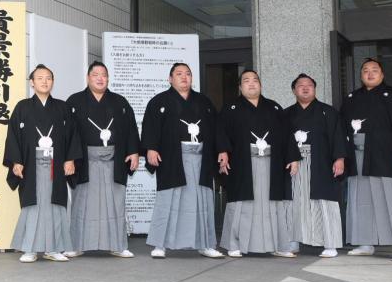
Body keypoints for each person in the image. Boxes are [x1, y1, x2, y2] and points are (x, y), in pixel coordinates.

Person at [341, 58, 392, 262]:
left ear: (382, 74)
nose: (370, 73)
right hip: (358, 154)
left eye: (374, 70)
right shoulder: (352, 98)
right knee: (361, 199)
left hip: (387, 154)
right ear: (361, 75)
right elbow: (341, 128)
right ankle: (365, 242)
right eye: (365, 70)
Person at [140, 63, 223, 259]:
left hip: (200, 159)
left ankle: (206, 244)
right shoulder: (158, 102)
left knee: (202, 200)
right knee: (168, 200)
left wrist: (223, 150)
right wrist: (151, 148)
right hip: (171, 158)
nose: (184, 77)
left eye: (187, 74)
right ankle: (160, 244)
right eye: (179, 74)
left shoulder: (204, 102)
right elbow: (150, 128)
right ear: (170, 79)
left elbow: (217, 129)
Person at [217, 70, 300, 258]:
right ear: (240, 87)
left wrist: (292, 158)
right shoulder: (230, 108)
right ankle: (234, 244)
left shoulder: (274, 108)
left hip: (271, 163)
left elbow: (288, 135)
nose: (251, 83)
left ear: (261, 85)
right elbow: (220, 133)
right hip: (242, 163)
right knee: (242, 204)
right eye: (246, 81)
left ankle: (279, 245)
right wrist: (222, 152)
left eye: (255, 80)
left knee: (273, 205)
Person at [5, 64, 80, 262]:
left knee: (55, 205)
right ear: (32, 82)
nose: (44, 81)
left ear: (53, 82)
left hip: (56, 162)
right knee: (33, 204)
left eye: (48, 78)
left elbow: (72, 135)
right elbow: (13, 136)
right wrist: (16, 162)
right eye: (40, 78)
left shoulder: (62, 107)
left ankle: (53, 248)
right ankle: (30, 248)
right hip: (31, 163)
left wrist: (70, 159)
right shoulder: (22, 107)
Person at [64, 62, 139, 258]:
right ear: (88, 78)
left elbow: (131, 128)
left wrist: (133, 152)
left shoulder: (120, 102)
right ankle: (77, 244)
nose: (100, 78)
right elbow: (68, 134)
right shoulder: (74, 102)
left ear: (108, 78)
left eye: (104, 75)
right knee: (82, 204)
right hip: (85, 161)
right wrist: (69, 158)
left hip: (114, 160)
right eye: (95, 74)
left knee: (115, 202)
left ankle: (117, 244)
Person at [284, 73, 347, 258]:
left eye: (309, 84)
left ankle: (330, 243)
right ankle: (292, 240)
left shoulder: (328, 112)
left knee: (324, 203)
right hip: (294, 163)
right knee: (294, 202)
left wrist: (340, 159)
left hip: (321, 162)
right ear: (294, 90)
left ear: (315, 88)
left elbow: (338, 137)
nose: (305, 87)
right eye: (300, 85)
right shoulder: (286, 114)